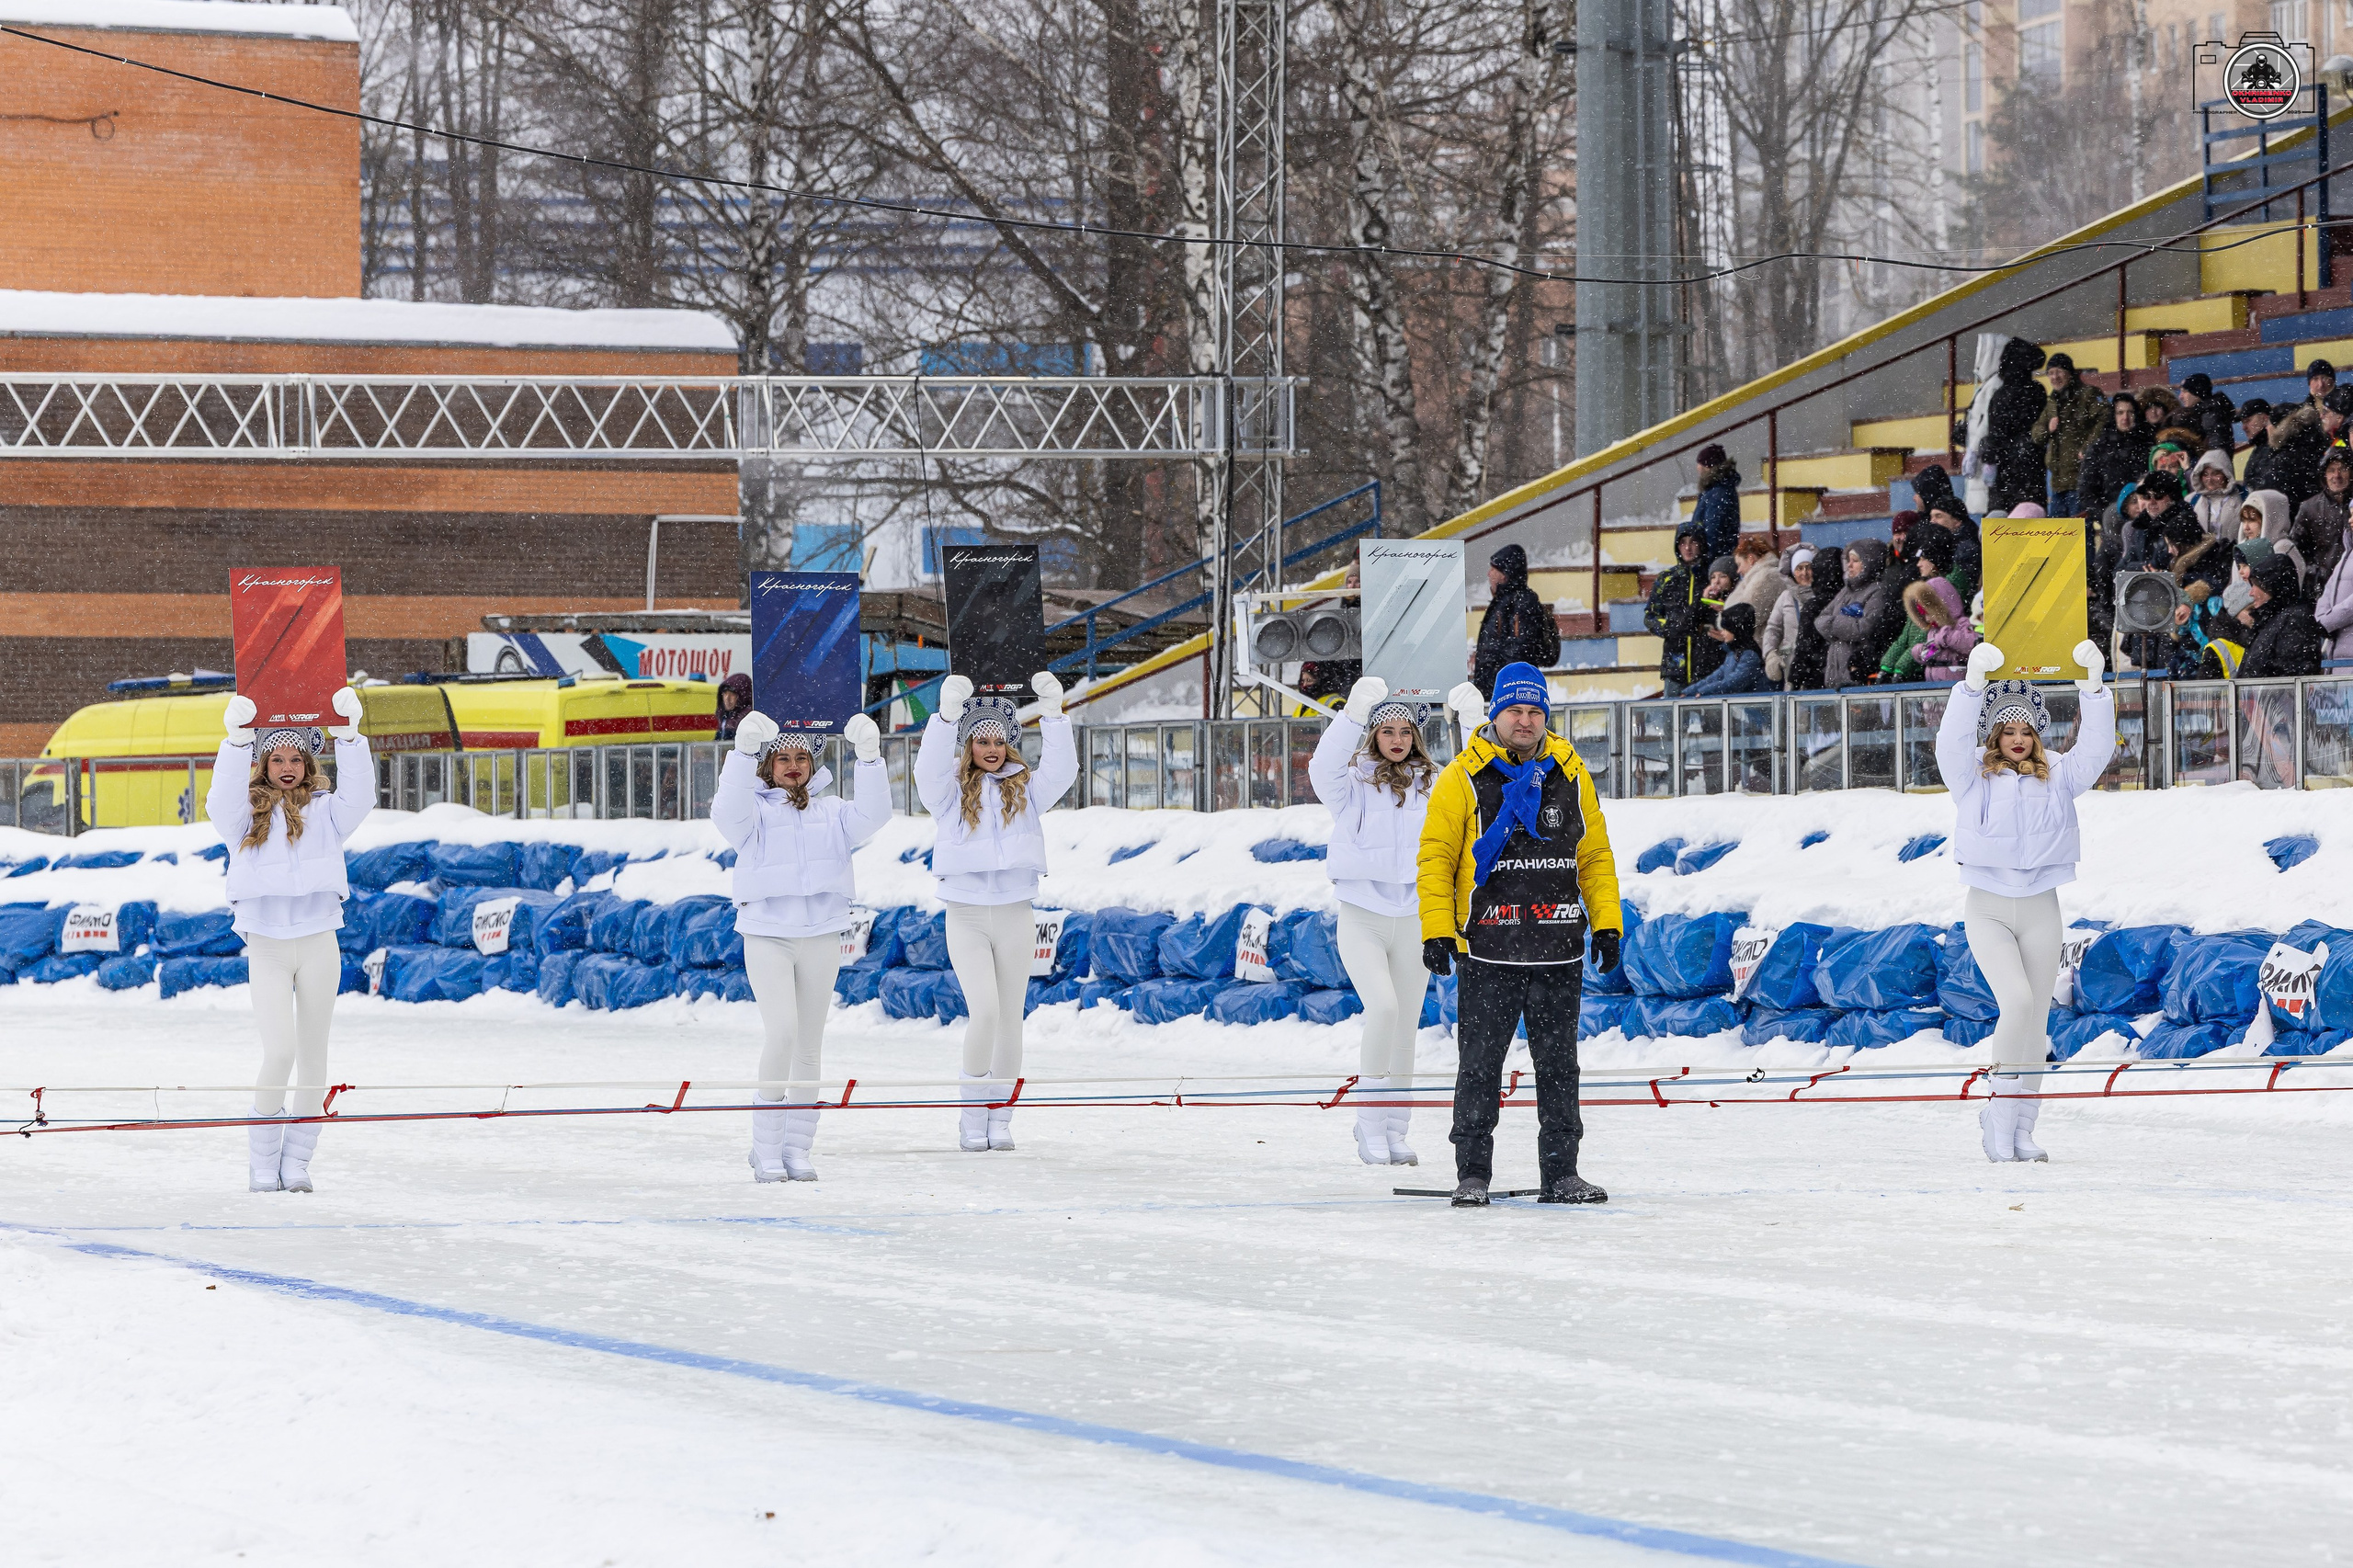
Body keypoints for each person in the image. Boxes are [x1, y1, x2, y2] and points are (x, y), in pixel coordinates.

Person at [1421, 665, 1622, 1207]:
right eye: (1515, 710)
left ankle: (1562, 1174)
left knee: (1559, 1067)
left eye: (1535, 711)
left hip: (1557, 946)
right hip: (1488, 947)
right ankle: (1472, 1174)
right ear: (1496, 714)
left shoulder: (1571, 773)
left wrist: (1606, 923)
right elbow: (1436, 860)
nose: (1526, 721)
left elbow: (1594, 856)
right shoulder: (1461, 777)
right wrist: (1437, 931)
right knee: (1480, 1066)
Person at [1937, 642, 2114, 1163]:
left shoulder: (2058, 775)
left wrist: (2094, 690)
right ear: (1993, 735)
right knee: (2015, 1003)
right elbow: (1949, 740)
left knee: (2036, 1021)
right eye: (2007, 731)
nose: (2018, 739)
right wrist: (1972, 687)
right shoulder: (1971, 776)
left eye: (2027, 731)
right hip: (1989, 907)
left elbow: (2097, 749)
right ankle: (1997, 1115)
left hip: (2041, 908)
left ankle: (2023, 1128)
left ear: (2038, 734)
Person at [714, 708, 891, 1182]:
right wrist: (741, 752)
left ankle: (796, 1149)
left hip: (821, 935)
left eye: (802, 758)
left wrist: (869, 759)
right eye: (782, 758)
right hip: (768, 935)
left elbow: (875, 814)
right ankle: (766, 1149)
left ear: (814, 763)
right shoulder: (751, 814)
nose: (793, 766)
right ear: (767, 766)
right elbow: (725, 811)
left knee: (809, 1045)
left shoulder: (833, 813)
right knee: (783, 1033)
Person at [208, 687, 372, 1194]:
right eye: (276, 758)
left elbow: (361, 796)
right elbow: (218, 799)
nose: (286, 767)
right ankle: (262, 1162)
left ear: (308, 762)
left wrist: (350, 739)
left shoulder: (327, 812)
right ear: (262, 764)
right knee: (280, 1051)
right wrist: (236, 743)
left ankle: (297, 1161)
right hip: (269, 945)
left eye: (295, 758)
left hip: (320, 940)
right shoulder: (242, 817)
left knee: (314, 1058)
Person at [915, 671, 1077, 1152]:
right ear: (968, 745)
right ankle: (971, 1117)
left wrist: (1053, 715)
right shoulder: (948, 793)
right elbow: (926, 770)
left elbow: (1062, 771)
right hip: (966, 915)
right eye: (981, 740)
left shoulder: (1025, 790)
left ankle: (1000, 1118)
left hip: (1014, 914)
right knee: (984, 1012)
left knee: (1010, 1020)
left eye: (999, 740)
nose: (991, 749)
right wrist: (946, 717)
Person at [1309, 676, 1436, 1167]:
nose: (1397, 739)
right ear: (1373, 735)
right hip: (1364, 915)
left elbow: (1479, 781)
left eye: (1406, 731)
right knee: (1382, 1009)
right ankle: (1368, 1123)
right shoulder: (1351, 784)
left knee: (1406, 1028)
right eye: (1387, 731)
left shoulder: (1432, 783)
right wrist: (1352, 714)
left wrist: (1474, 724)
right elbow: (1320, 767)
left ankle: (1396, 1130)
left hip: (1416, 916)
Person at [1643, 518, 1722, 696]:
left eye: (1693, 542)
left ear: (1702, 545)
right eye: (1683, 543)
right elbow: (1650, 616)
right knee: (1672, 712)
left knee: (1711, 713)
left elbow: (1724, 610)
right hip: (1675, 664)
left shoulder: (1713, 577)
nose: (1688, 548)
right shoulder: (1666, 579)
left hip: (1708, 663)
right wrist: (1670, 627)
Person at [1472, 543, 1560, 699]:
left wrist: (1502, 688)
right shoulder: (1503, 601)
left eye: (1493, 569)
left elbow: (1519, 652)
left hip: (1506, 694)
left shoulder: (1522, 602)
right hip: (1494, 692)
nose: (1489, 574)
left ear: (1505, 574)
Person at [1982, 338, 2050, 513]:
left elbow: (1995, 434)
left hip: (2006, 471)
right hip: (2030, 467)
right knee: (2030, 515)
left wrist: (1991, 455)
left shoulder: (2000, 395)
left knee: (2003, 518)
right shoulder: (2036, 391)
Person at [2036, 353, 2107, 516]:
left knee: (2080, 529)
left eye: (2059, 372)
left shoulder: (2088, 394)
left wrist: (2088, 448)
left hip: (2081, 480)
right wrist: (2048, 429)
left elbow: (2105, 420)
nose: (2055, 377)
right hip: (2058, 482)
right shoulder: (2052, 402)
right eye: (2050, 373)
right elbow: (2036, 434)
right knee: (2059, 531)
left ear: (2070, 373)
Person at [1816, 538, 1893, 687]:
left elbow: (1865, 628)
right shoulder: (1846, 591)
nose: (1849, 565)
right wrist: (1844, 625)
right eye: (1848, 560)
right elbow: (1820, 621)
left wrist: (1836, 624)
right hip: (1835, 674)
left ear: (1870, 563)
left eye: (1855, 561)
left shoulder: (1878, 591)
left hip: (1858, 673)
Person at [2238, 554, 2325, 676]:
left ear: (2270, 587)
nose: (2251, 593)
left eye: (2255, 585)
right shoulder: (2269, 620)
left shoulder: (2295, 618)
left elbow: (2292, 674)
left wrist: (2259, 686)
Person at [2076, 394, 2153, 518]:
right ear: (2113, 415)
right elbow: (2086, 490)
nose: (2125, 418)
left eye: (2130, 412)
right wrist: (2106, 515)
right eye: (2120, 413)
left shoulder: (2148, 445)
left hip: (2146, 514)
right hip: (2111, 516)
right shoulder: (2098, 448)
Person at [2289, 446, 2353, 586]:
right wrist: (2314, 572)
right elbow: (2294, 548)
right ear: (2324, 474)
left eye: (2343, 469)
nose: (2336, 475)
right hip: (2322, 586)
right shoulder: (2309, 507)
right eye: (2331, 470)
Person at [1683, 602, 1771, 695]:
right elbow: (1715, 677)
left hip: (1754, 702)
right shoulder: (1733, 653)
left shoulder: (1750, 655)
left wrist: (1704, 691)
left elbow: (1734, 683)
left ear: (1736, 631)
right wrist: (1689, 691)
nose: (1722, 632)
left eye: (1726, 629)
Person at [1760, 544, 1816, 687]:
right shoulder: (1786, 597)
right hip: (1792, 665)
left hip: (1818, 662)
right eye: (1799, 568)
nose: (1804, 573)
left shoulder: (1823, 595)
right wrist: (1770, 654)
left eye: (1809, 567)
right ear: (1792, 572)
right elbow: (1773, 628)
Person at [1690, 444, 1744, 562]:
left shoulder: (1718, 494)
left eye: (1700, 463)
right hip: (1715, 560)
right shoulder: (1715, 490)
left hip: (1714, 562)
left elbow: (1714, 533)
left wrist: (1702, 561)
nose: (1698, 468)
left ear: (1708, 466)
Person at [1724, 532, 1783, 628]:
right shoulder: (1761, 576)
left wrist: (1726, 620)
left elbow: (1747, 617)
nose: (1738, 570)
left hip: (1763, 636)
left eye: (1739, 564)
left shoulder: (1766, 577)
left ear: (1750, 559)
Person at [2175, 373, 2238, 459]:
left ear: (2197, 392)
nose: (2180, 396)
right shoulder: (2204, 412)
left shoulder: (2211, 415)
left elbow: (2218, 452)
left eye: (2185, 391)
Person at [2188, 449, 2245, 541]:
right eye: (2205, 474)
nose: (2209, 479)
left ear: (2226, 474)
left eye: (2215, 474)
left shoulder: (2244, 496)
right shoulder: (2192, 500)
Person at [2239, 399, 2285, 496]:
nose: (2243, 427)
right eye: (2242, 422)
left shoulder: (2278, 447)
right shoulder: (2259, 448)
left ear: (2265, 419)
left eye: (2247, 421)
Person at [714, 673, 755, 743]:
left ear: (743, 696)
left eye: (732, 694)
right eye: (725, 693)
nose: (727, 698)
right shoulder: (724, 717)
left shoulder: (747, 718)